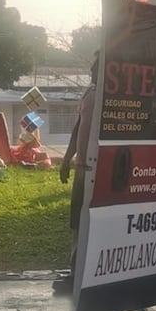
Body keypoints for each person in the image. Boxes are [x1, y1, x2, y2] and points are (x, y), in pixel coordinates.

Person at [54, 54, 98, 295]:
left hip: (97, 169)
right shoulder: (90, 94)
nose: (93, 69)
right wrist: (67, 160)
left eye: (98, 65)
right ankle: (75, 271)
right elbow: (78, 129)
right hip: (82, 167)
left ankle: (84, 274)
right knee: (77, 221)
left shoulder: (109, 99)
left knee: (89, 222)